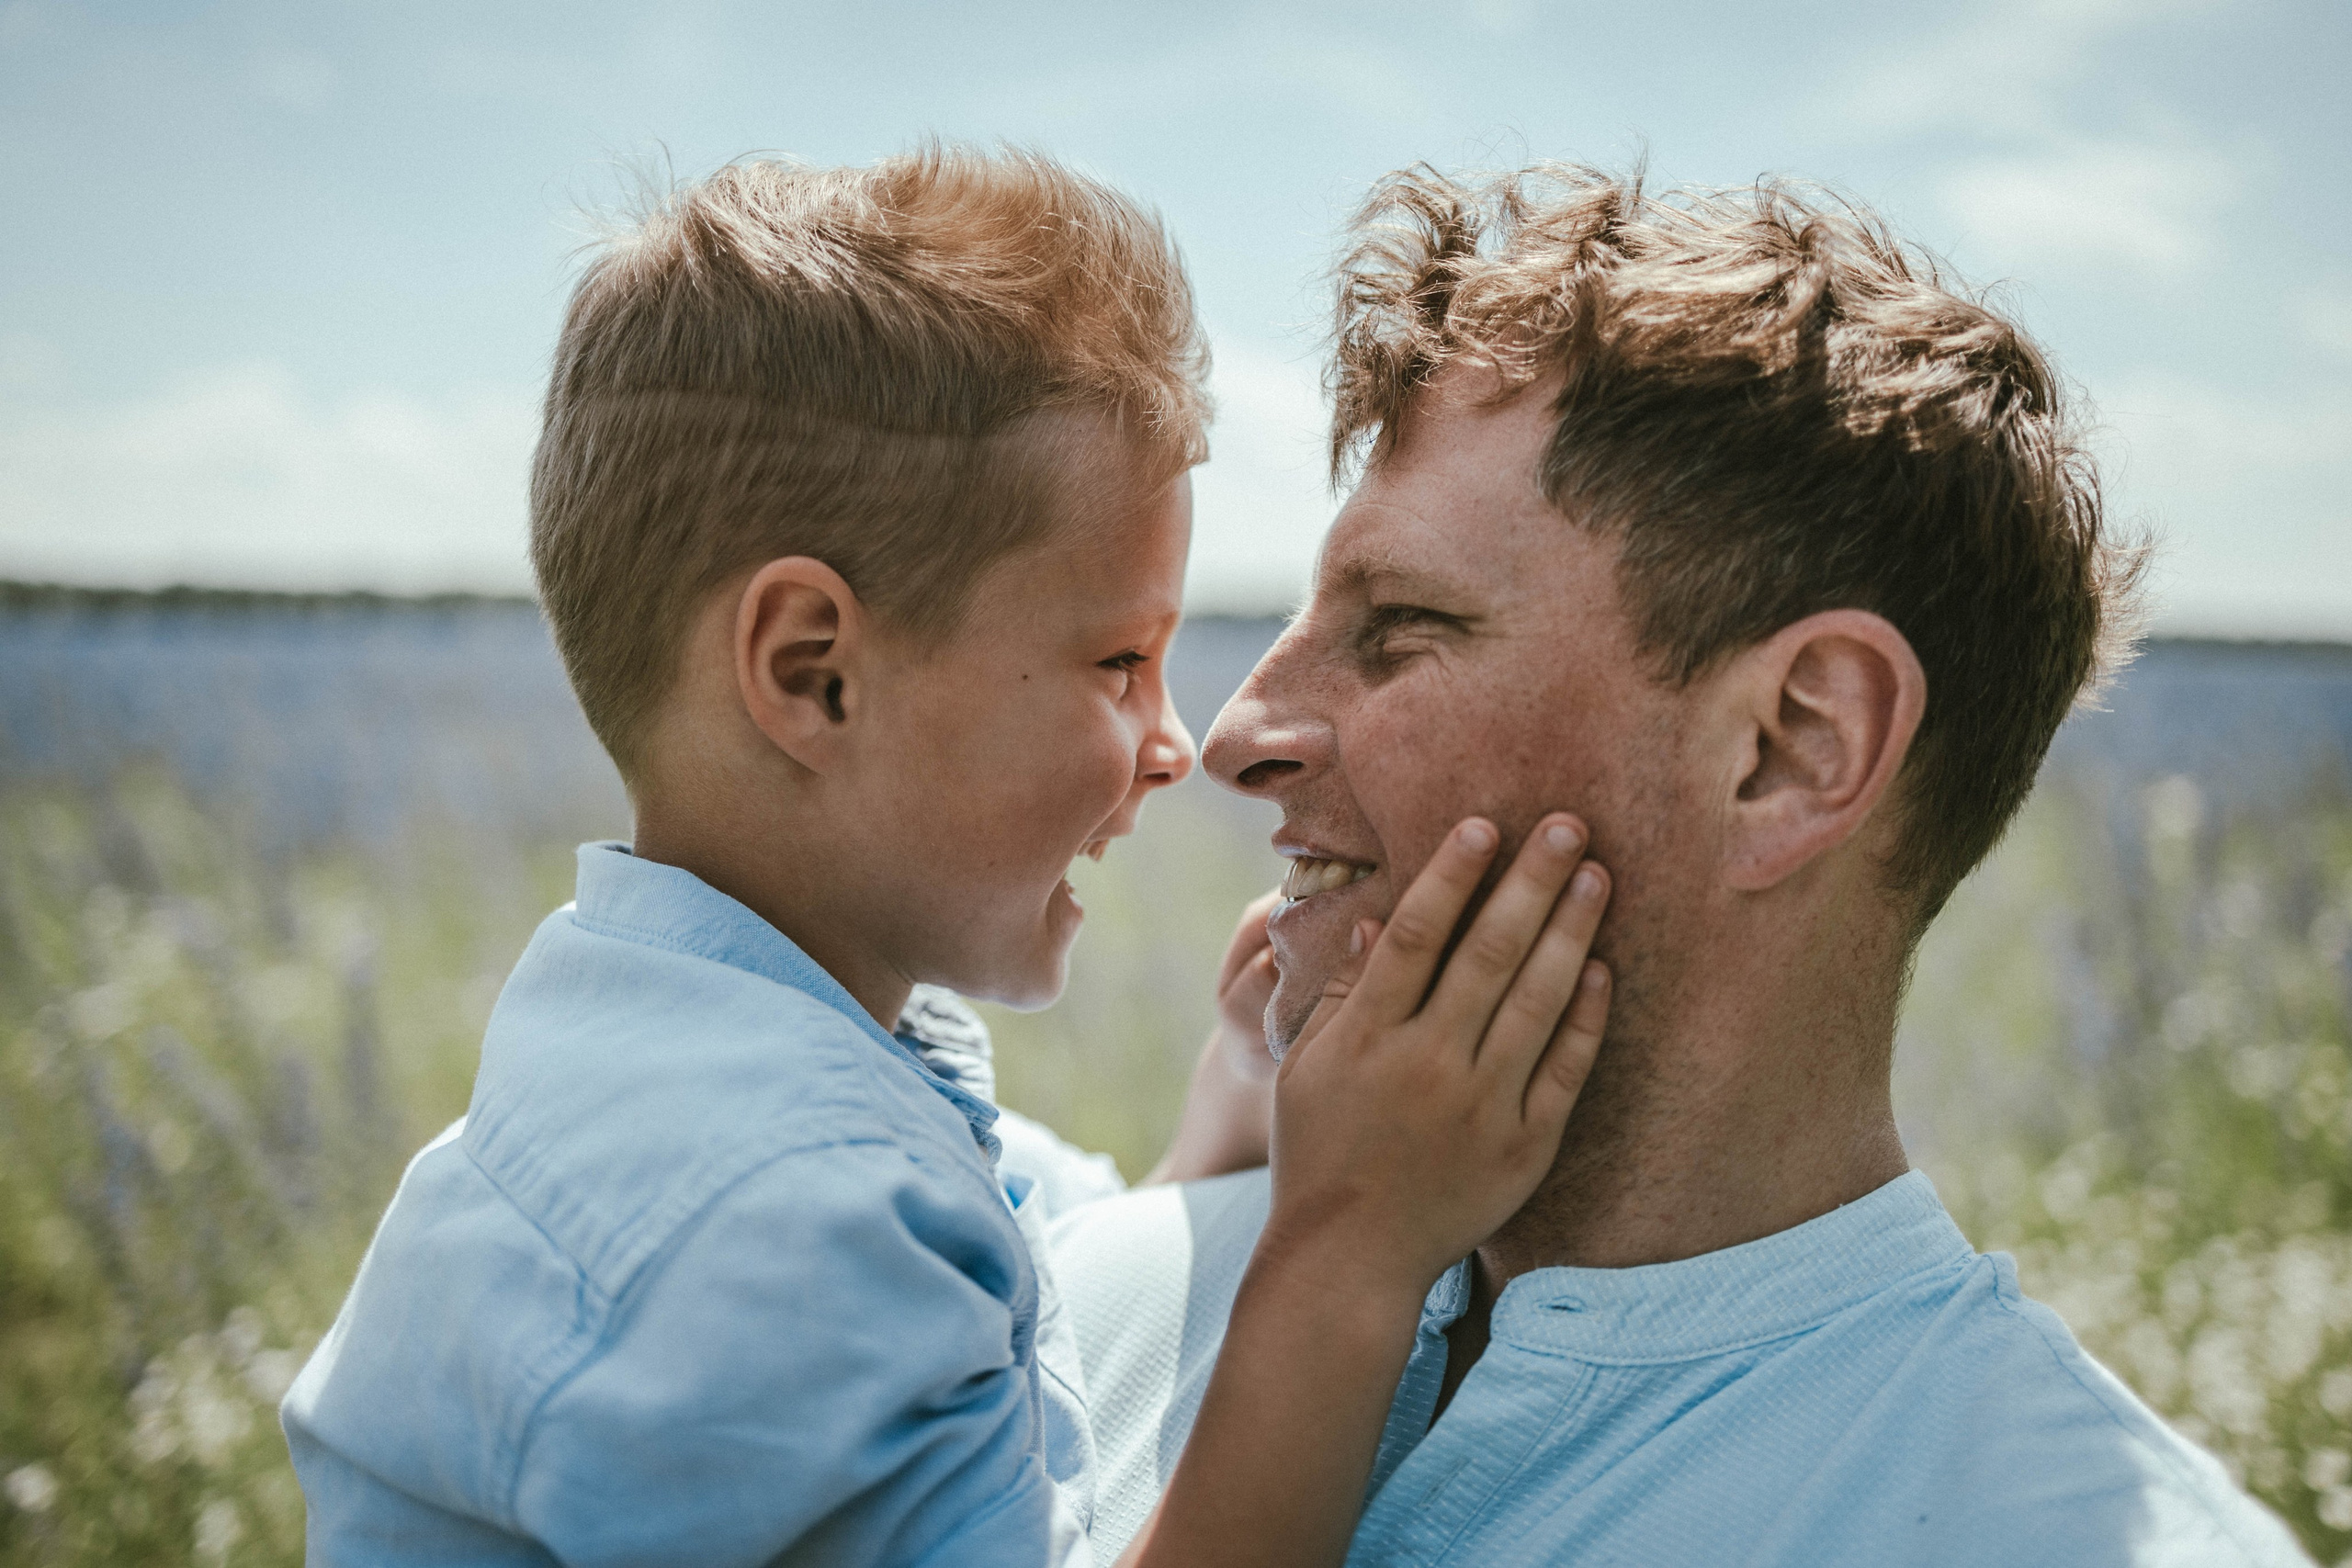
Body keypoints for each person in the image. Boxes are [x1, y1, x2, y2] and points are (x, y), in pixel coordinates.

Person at [277, 145, 1623, 1568]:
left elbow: (1014, 1319)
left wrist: (1234, 1129)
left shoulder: (710, 1057)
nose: (1180, 744)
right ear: (814, 675)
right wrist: (1352, 1247)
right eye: (1118, 660)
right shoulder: (796, 1217)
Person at [1051, 162, 2314, 1565]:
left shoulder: (2053, 1534)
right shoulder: (1070, 1311)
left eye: (1403, 620)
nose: (1235, 735)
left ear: (1789, 748)